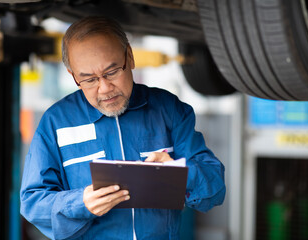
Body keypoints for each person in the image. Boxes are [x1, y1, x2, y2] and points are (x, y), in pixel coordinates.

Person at [20, 16, 226, 240]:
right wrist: (80, 203)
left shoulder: (169, 110)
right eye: (89, 80)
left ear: (129, 56)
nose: (105, 88)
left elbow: (215, 186)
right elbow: (33, 202)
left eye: (112, 72)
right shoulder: (56, 122)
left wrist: (181, 173)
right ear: (73, 76)